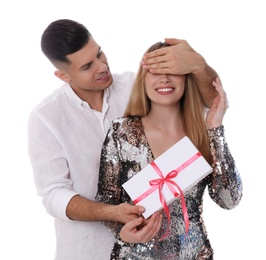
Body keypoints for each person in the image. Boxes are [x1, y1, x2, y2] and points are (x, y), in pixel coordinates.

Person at [27, 19, 219, 260]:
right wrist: (113, 213)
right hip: (86, 251)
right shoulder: (46, 117)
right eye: (87, 66)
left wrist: (198, 66)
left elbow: (209, 106)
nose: (101, 67)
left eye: (100, 54)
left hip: (153, 250)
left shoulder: (135, 87)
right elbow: (54, 194)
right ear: (63, 75)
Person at [95, 42, 243, 259]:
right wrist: (122, 232)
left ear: (186, 78)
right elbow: (106, 199)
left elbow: (229, 199)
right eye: (155, 72)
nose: (164, 79)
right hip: (135, 254)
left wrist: (215, 129)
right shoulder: (122, 131)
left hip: (193, 253)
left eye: (173, 72)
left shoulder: (202, 133)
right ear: (143, 79)